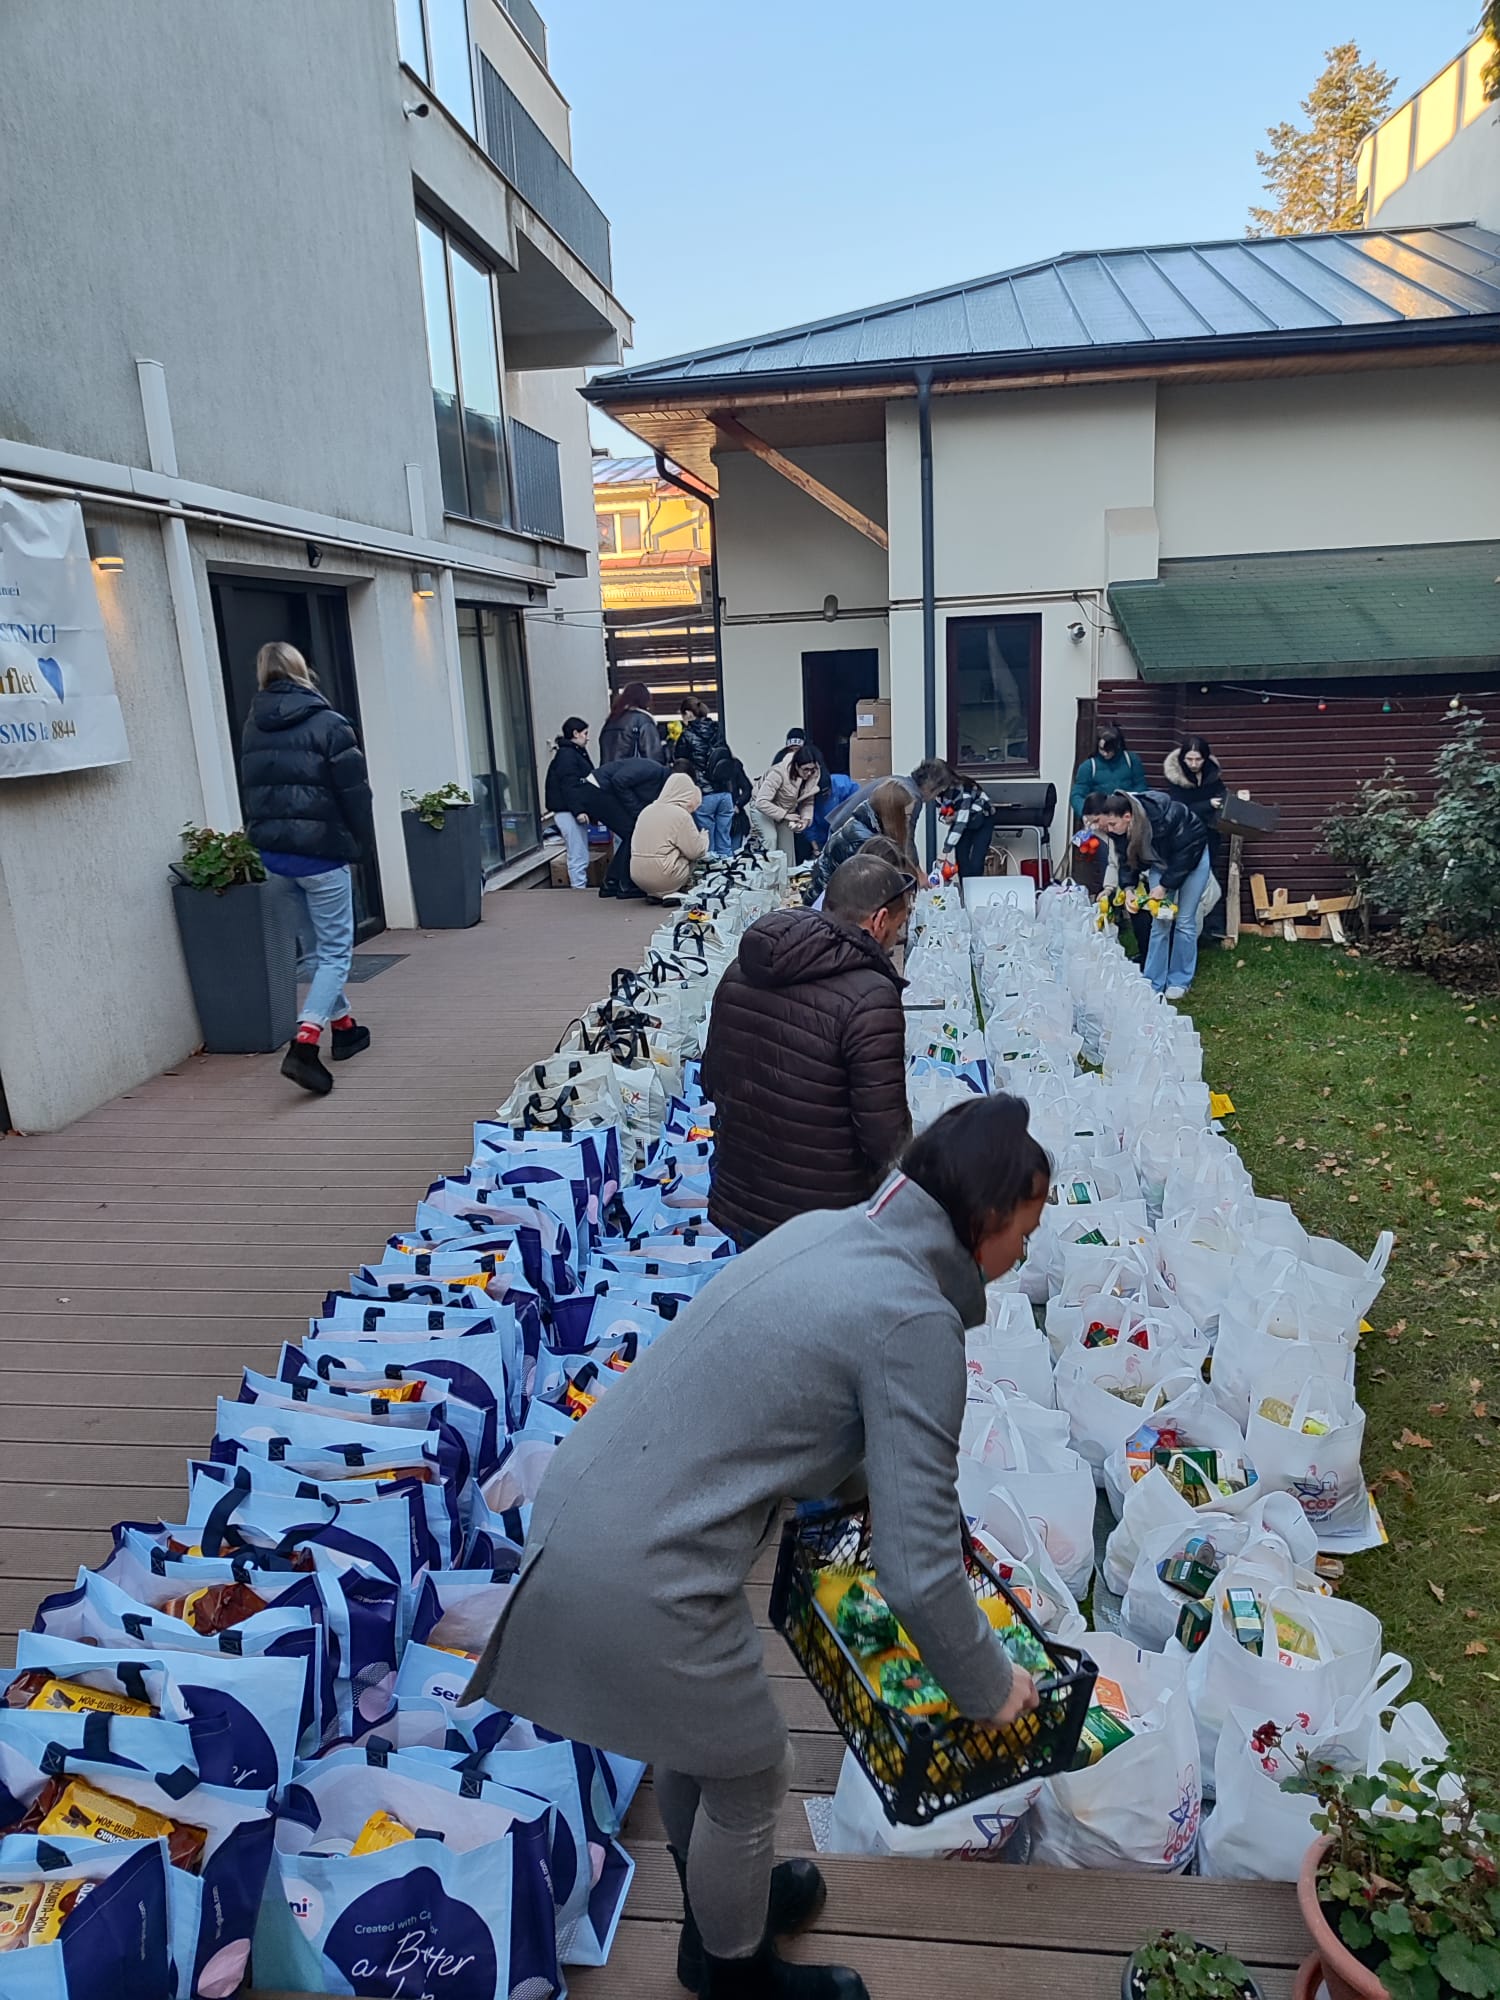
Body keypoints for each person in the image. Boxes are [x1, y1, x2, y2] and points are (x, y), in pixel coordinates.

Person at [464, 1094, 1048, 2000]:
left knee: (699, 1736)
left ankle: (717, 1913)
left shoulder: (838, 1232)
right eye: (1025, 1231)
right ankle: (733, 1975)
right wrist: (990, 1686)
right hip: (649, 1567)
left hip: (590, 1507)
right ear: (984, 1217)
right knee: (749, 1769)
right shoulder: (916, 1319)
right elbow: (919, 1571)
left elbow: (830, 1416)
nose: (1026, 1253)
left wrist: (886, 1500)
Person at [700, 851, 915, 1250]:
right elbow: (884, 1137)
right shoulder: (871, 996)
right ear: (879, 921)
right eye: (897, 929)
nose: (894, 942)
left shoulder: (741, 969)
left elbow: (711, 1080)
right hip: (823, 1217)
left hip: (742, 1196)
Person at [240, 641, 375, 1097]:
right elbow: (355, 793)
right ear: (302, 670)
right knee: (336, 953)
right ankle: (305, 1043)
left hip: (276, 857)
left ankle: (346, 1028)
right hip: (322, 855)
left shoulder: (253, 726)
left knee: (316, 951)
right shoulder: (331, 724)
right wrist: (361, 846)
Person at [1084, 788, 1211, 1001]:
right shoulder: (1118, 830)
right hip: (1160, 863)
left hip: (1193, 858)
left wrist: (1164, 886)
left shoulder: (1167, 817)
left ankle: (1180, 980)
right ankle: (1153, 982)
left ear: (1128, 817)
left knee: (1184, 921)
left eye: (1112, 824)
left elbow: (1184, 857)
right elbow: (1126, 861)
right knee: (1159, 921)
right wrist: (1128, 890)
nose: (1109, 830)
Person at [806, 778, 916, 904]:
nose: (908, 822)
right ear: (893, 815)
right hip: (828, 904)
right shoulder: (865, 841)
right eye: (906, 817)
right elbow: (869, 893)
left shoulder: (867, 824)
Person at [1162, 735, 1227, 940]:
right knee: (1190, 879)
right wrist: (1208, 804)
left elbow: (1222, 794)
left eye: (1198, 759)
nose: (1193, 764)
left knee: (1212, 876)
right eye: (1189, 759)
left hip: (1210, 833)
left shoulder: (1212, 774)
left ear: (1205, 758)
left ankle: (1212, 927)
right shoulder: (1176, 779)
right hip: (1187, 836)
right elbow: (1179, 809)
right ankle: (1184, 925)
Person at [585, 755, 668, 900]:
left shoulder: (657, 776)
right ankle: (623, 884)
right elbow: (619, 781)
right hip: (598, 789)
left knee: (631, 833)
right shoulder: (652, 770)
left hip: (599, 789)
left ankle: (612, 882)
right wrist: (637, 811)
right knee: (632, 833)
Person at [825, 758, 956, 845]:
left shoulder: (897, 780)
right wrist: (917, 872)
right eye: (938, 792)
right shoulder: (912, 797)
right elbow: (906, 842)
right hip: (849, 840)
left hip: (840, 831)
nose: (935, 798)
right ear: (931, 786)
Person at [631, 762, 710, 900]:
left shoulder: (647, 810)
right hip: (665, 876)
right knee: (690, 854)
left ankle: (654, 893)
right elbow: (696, 851)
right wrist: (703, 837)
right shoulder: (680, 815)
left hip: (637, 876)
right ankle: (674, 892)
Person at [679, 696, 737, 858]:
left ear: (688, 713)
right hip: (725, 793)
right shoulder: (718, 731)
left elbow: (680, 765)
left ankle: (712, 873)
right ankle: (728, 871)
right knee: (725, 843)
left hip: (703, 795)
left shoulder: (687, 735)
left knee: (707, 846)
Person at [746, 743, 821, 865]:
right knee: (770, 839)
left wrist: (805, 819)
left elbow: (807, 801)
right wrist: (785, 815)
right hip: (762, 809)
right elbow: (761, 802)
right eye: (805, 769)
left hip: (786, 811)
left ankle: (788, 875)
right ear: (796, 766)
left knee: (788, 852)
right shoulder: (778, 773)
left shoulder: (813, 776)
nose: (808, 773)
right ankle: (767, 873)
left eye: (811, 769)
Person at [544, 717, 596, 891]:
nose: (587, 738)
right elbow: (569, 785)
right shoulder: (569, 755)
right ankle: (578, 888)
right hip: (569, 811)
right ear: (575, 733)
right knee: (577, 852)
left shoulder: (569, 753)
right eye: (585, 733)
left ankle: (579, 887)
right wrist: (579, 810)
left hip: (568, 810)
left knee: (578, 850)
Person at [1069, 723, 1144, 819]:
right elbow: (1077, 795)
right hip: (1100, 817)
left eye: (1108, 750)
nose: (1105, 753)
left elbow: (1141, 787)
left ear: (1117, 746)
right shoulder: (1088, 767)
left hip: (1126, 815)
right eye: (1101, 749)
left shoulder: (1132, 760)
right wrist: (1086, 813)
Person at [599, 680, 665, 766]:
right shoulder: (643, 720)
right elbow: (653, 755)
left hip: (608, 772)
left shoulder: (611, 720)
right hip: (634, 772)